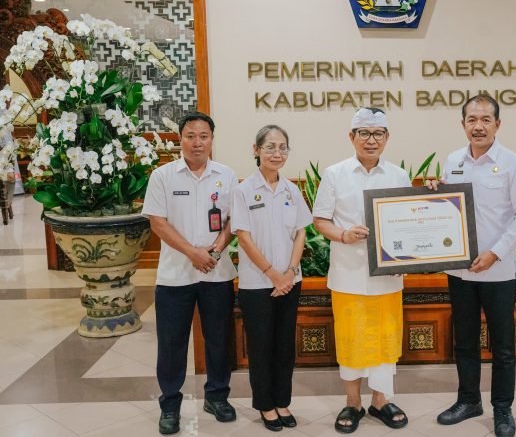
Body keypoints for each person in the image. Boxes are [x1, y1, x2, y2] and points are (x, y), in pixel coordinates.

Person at [428, 94, 516, 437]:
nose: (478, 126)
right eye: (472, 120)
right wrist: (436, 191)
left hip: (498, 272)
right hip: (460, 270)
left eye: (485, 120)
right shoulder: (453, 160)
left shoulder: (513, 163)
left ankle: (502, 409)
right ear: (463, 125)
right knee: (465, 340)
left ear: (497, 125)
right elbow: (449, 206)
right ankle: (469, 400)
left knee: (502, 346)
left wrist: (495, 253)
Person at [313, 107, 411, 433]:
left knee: (386, 338)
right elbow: (320, 220)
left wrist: (406, 258)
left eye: (378, 133)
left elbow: (409, 222)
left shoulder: (398, 176)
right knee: (351, 339)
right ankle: (353, 402)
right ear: (351, 136)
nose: (371, 140)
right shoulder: (334, 174)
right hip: (349, 274)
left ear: (387, 137)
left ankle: (380, 400)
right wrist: (343, 234)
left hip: (388, 276)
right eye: (364, 133)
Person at [142, 112, 238, 435]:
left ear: (212, 140)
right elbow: (158, 223)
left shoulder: (226, 175)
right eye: (190, 136)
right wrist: (193, 253)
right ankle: (170, 405)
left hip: (217, 273)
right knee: (172, 344)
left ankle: (217, 397)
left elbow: (233, 221)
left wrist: (214, 251)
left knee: (219, 340)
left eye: (204, 136)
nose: (197, 142)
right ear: (180, 139)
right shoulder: (163, 176)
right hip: (175, 276)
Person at [231, 125, 312, 432]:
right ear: (256, 150)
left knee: (284, 346)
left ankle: (282, 401)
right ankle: (265, 405)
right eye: (270, 147)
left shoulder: (292, 190)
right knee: (261, 346)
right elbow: (243, 237)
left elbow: (301, 232)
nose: (277, 153)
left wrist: (289, 272)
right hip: (257, 284)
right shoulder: (243, 191)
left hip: (290, 282)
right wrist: (273, 274)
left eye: (282, 147)